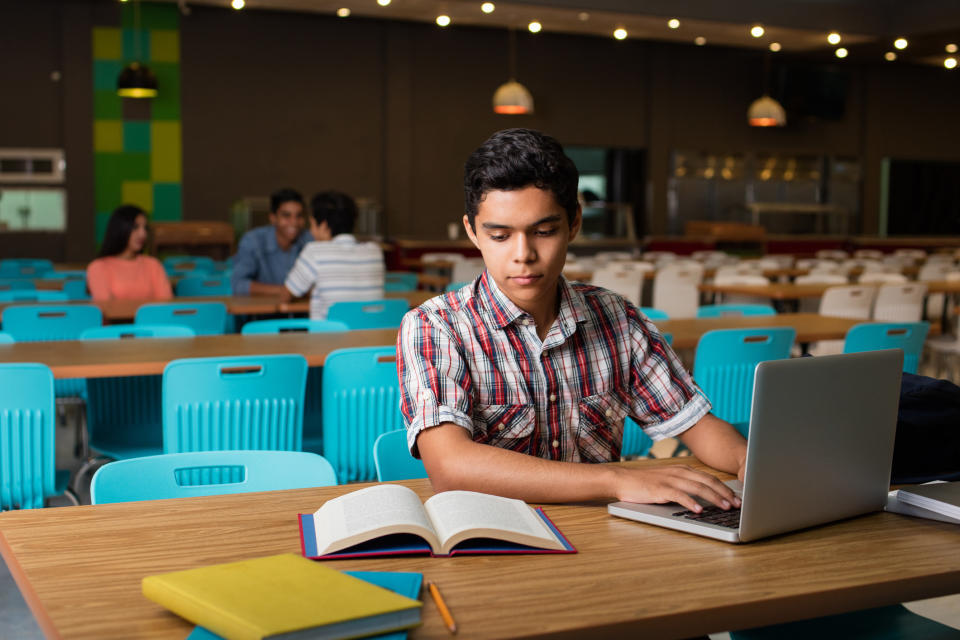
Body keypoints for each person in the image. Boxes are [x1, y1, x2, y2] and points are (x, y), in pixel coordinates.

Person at [397, 128, 747, 512]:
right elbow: (451, 468)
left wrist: (750, 462)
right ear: (473, 232)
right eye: (499, 236)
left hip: (603, 540)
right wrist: (618, 479)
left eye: (544, 231)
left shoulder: (617, 317)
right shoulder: (436, 326)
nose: (523, 254)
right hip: (496, 542)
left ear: (574, 224)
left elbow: (694, 424)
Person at [283, 190, 385, 320]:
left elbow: (286, 296)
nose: (311, 231)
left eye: (312, 224)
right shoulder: (375, 251)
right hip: (373, 337)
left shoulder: (314, 251)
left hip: (329, 338)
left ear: (324, 225)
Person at [231, 188, 311, 296]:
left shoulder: (309, 240)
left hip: (300, 311)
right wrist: (286, 291)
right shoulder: (253, 241)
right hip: (261, 311)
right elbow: (238, 285)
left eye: (299, 216)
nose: (294, 222)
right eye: (286, 216)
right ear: (273, 218)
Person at [86, 204, 173, 301]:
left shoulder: (153, 265)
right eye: (136, 227)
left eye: (145, 228)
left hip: (153, 316)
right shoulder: (98, 267)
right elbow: (108, 309)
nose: (143, 234)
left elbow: (166, 305)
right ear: (120, 228)